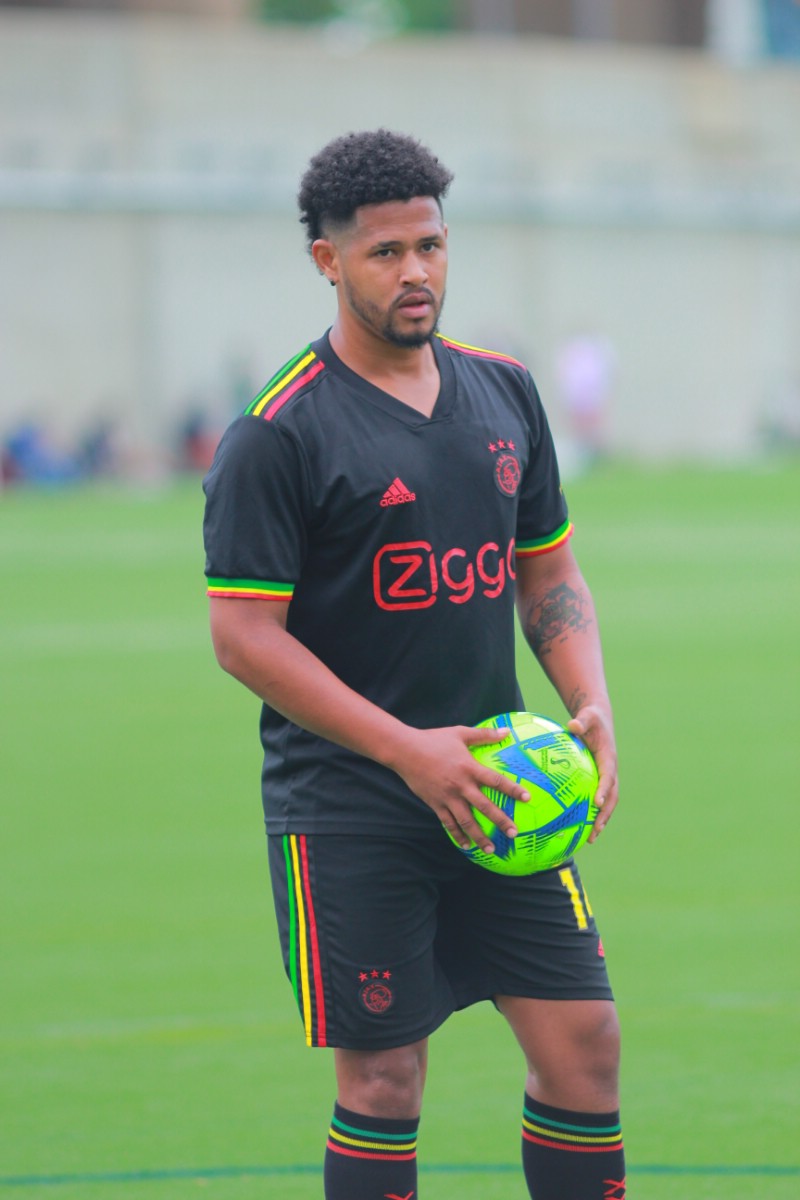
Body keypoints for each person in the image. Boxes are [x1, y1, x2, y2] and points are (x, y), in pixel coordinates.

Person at [203, 128, 625, 1200]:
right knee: (385, 1081)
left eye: (429, 245)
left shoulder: (505, 392)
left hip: (503, 791)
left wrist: (589, 702)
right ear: (327, 259)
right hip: (350, 805)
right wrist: (408, 753)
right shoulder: (277, 434)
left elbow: (547, 571)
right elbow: (243, 638)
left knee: (585, 1045)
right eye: (384, 252)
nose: (415, 272)